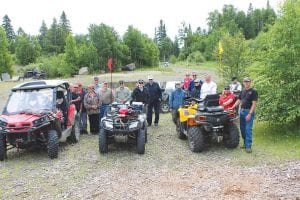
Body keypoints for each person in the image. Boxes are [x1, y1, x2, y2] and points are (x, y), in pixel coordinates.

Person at [230, 77, 258, 153]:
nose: (246, 83)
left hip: (248, 112)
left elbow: (254, 104)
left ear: (250, 82)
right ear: (243, 82)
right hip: (241, 112)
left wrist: (250, 113)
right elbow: (239, 100)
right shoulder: (242, 91)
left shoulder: (253, 91)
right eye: (245, 81)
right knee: (242, 129)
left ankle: (248, 146)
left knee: (248, 129)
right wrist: (232, 107)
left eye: (248, 81)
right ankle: (245, 143)